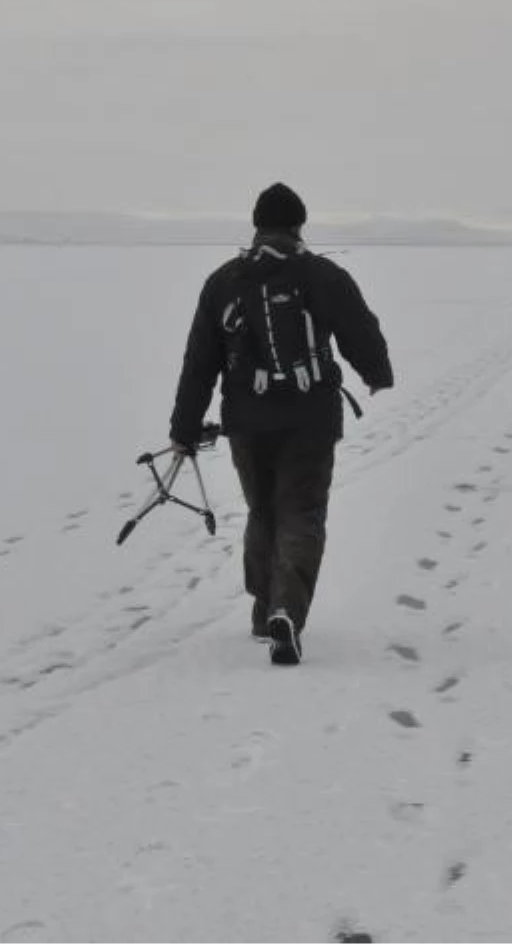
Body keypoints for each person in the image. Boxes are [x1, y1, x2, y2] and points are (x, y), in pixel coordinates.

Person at [169, 183, 394, 664]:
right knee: (302, 513)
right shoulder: (323, 275)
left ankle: (262, 610)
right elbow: (361, 329)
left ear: (256, 226)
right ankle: (286, 611)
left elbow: (199, 361)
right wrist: (377, 374)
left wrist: (183, 428)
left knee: (262, 511)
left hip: (247, 424)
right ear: (298, 225)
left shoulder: (223, 282)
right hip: (311, 418)